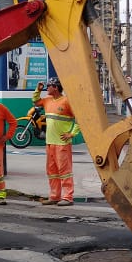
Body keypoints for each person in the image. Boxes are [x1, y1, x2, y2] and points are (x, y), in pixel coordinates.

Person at [33, 77, 79, 206]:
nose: (47, 88)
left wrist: (72, 134)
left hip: (62, 143)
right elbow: (35, 102)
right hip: (50, 143)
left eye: (49, 86)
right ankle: (55, 196)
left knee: (65, 171)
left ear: (56, 87)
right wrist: (37, 90)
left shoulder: (66, 101)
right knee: (52, 171)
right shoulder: (47, 100)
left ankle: (68, 197)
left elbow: (79, 119)